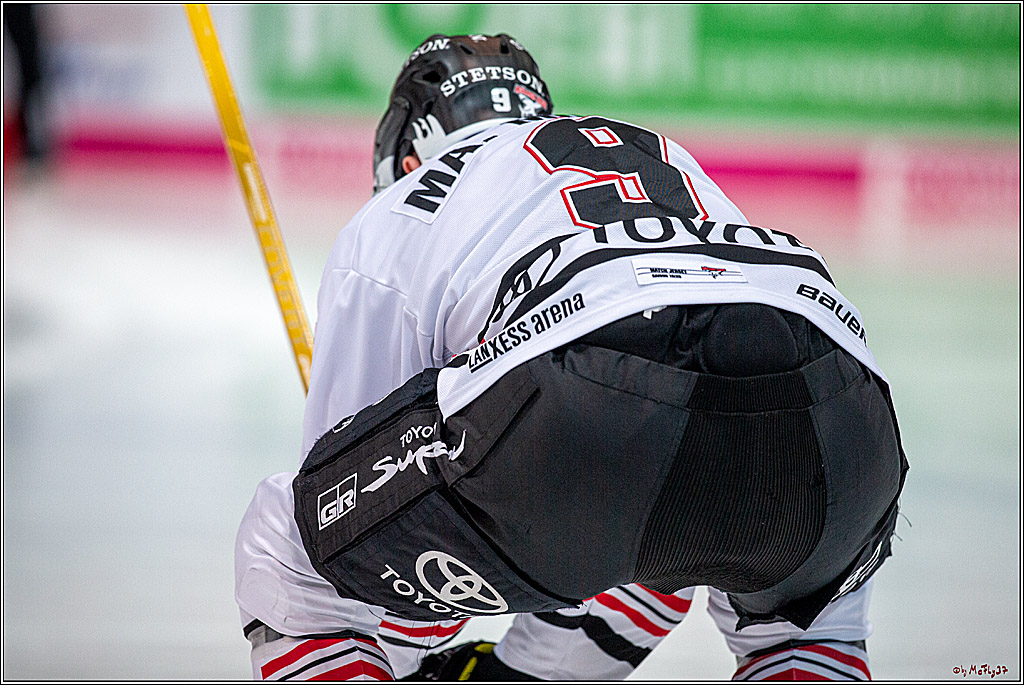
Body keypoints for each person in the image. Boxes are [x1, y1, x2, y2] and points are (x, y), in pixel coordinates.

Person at [235, 33, 908, 681]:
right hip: (844, 407)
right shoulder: (653, 153)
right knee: (747, 595)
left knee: (291, 550)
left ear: (408, 155)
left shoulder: (406, 203)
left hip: (590, 398)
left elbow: (358, 543)